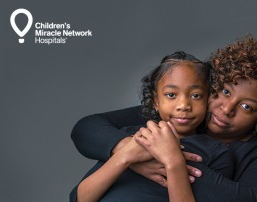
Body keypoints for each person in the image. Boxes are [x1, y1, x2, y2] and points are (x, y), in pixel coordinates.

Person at [71, 35, 257, 201]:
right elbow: (88, 128)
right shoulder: (172, 120)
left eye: (247, 106)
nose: (226, 109)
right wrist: (131, 151)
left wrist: (171, 160)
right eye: (225, 91)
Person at [70, 52, 235, 202]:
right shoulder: (134, 136)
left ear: (208, 99)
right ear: (156, 101)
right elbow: (79, 198)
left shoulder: (216, 154)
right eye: (171, 95)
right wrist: (125, 156)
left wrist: (173, 162)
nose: (184, 105)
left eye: (196, 96)